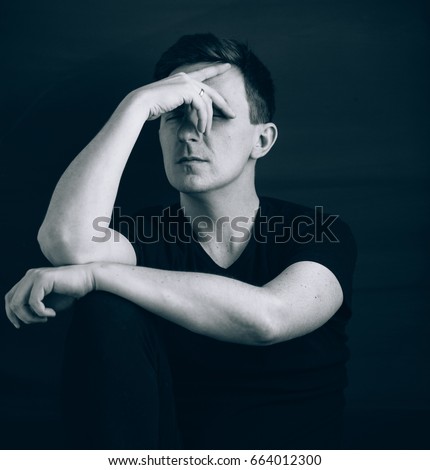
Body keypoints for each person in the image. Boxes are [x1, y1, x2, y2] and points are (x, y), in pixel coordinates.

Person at [4, 33, 356, 449]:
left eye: (217, 114)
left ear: (261, 140)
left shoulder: (315, 229)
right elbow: (65, 242)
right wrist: (136, 106)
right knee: (106, 309)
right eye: (175, 114)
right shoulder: (140, 235)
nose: (190, 132)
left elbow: (268, 318)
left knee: (101, 291)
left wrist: (96, 276)